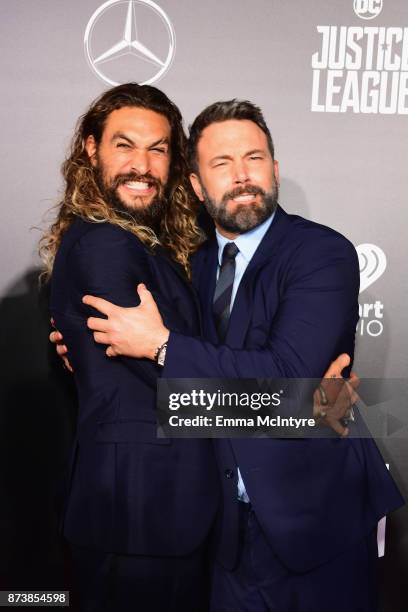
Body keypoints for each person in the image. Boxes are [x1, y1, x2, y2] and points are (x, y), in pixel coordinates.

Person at [82, 99, 404, 611]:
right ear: (195, 185)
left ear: (275, 169)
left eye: (253, 159)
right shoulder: (191, 262)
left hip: (314, 522)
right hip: (222, 532)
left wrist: (163, 347)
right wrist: (86, 348)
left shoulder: (322, 253)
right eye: (221, 164)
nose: (242, 177)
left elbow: (284, 383)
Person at [40, 83, 222, 612]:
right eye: (124, 145)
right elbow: (174, 385)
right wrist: (301, 407)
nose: (141, 165)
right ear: (91, 150)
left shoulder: (150, 243)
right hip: (138, 514)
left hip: (159, 512)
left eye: (158, 149)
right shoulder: (102, 241)